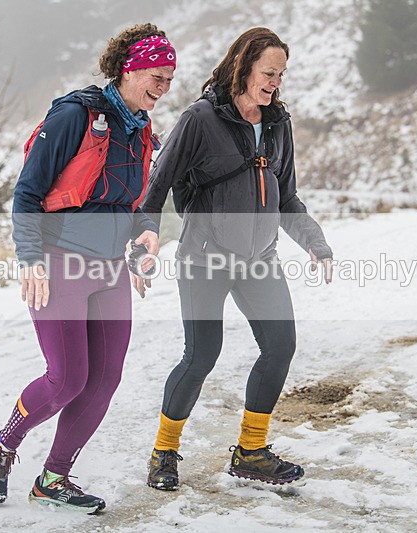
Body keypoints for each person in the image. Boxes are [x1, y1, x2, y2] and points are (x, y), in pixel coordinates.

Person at [0, 24, 175, 513]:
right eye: (156, 75)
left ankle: (53, 478)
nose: (163, 87)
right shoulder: (74, 116)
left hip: (111, 270)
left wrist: (147, 232)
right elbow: (26, 192)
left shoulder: (142, 129)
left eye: (169, 78)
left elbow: (139, 201)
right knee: (66, 379)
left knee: (105, 378)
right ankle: (3, 444)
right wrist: (29, 260)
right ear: (128, 69)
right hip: (59, 261)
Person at [137, 27, 333, 490]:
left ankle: (251, 451)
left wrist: (315, 242)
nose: (275, 83)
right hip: (205, 257)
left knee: (280, 346)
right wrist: (143, 235)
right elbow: (157, 185)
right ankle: (163, 452)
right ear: (243, 67)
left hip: (260, 258)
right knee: (202, 355)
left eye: (281, 74)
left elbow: (287, 197)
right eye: (268, 72)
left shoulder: (279, 124)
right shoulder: (200, 119)